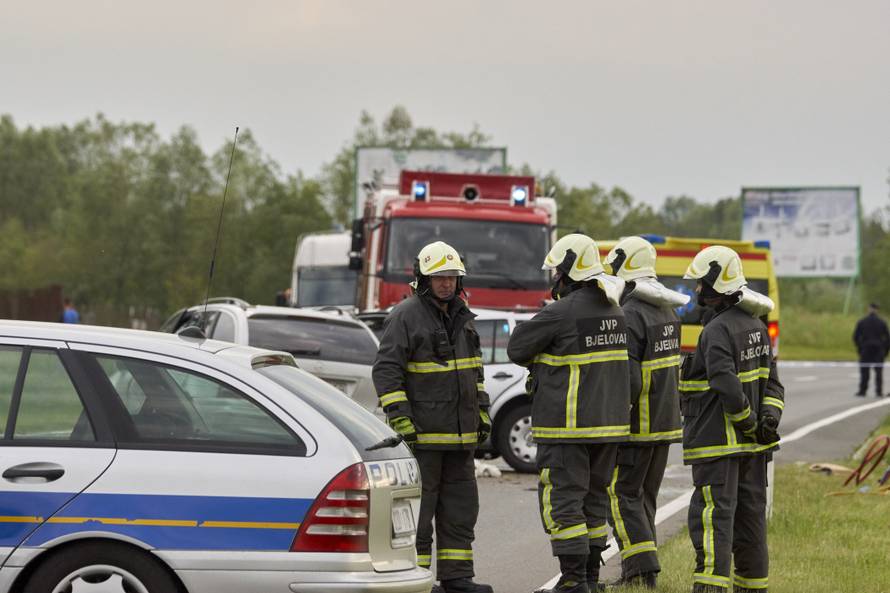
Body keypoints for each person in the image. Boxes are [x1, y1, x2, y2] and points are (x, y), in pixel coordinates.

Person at [508, 233, 631, 593]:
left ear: (568, 272)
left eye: (556, 273)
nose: (553, 280)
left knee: (562, 499)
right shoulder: (615, 310)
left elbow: (517, 347)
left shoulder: (561, 312)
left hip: (568, 428)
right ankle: (590, 578)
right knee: (594, 500)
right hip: (608, 429)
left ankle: (573, 578)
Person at [372, 241, 493, 593]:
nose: (446, 283)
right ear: (423, 277)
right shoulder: (405, 315)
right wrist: (401, 418)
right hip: (423, 439)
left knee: (460, 512)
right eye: (439, 277)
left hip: (460, 439)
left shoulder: (464, 317)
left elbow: (475, 372)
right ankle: (417, 581)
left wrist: (481, 411)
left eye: (452, 276)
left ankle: (457, 579)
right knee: (418, 516)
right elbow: (386, 372)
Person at [679, 246, 784, 593]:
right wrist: (767, 420)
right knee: (751, 521)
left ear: (716, 284)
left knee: (713, 519)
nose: (696, 291)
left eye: (701, 284)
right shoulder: (755, 325)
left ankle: (710, 587)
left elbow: (726, 384)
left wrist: (749, 423)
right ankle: (753, 588)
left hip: (718, 446)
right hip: (753, 450)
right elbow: (773, 382)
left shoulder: (717, 331)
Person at [601, 236, 689, 589]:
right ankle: (639, 570)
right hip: (665, 424)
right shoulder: (665, 309)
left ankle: (640, 572)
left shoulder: (630, 312)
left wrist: (615, 423)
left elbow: (630, 380)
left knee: (621, 495)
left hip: (638, 426)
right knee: (644, 499)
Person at [853, 303, 889, 397]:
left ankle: (862, 390)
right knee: (878, 371)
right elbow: (887, 338)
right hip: (878, 349)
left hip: (866, 348)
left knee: (865, 371)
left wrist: (860, 347)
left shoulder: (862, 321)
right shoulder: (882, 322)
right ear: (877, 310)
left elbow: (855, 337)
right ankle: (879, 391)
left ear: (869, 309)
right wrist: (885, 350)